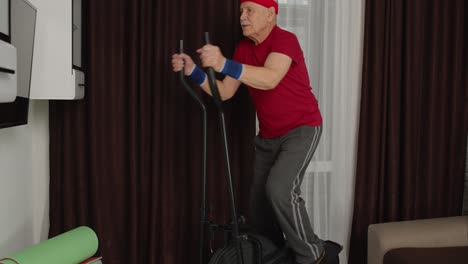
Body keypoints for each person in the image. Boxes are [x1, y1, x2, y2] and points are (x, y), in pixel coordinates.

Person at [172, 0, 341, 263]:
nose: (242, 16)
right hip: (268, 136)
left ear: (270, 14)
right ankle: (272, 253)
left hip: (302, 128)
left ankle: (313, 254)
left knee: (280, 189)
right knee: (259, 206)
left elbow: (270, 77)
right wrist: (194, 71)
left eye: (249, 10)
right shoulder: (243, 48)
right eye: (241, 11)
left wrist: (224, 63)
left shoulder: (285, 40)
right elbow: (226, 92)